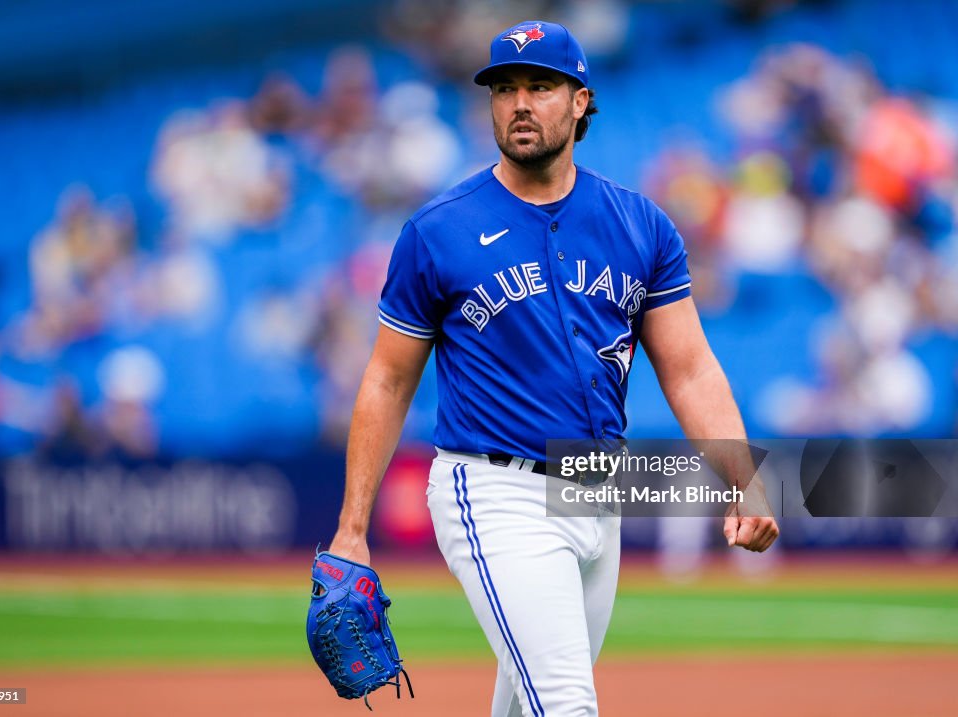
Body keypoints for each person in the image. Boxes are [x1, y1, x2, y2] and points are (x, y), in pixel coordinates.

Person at [328, 20, 779, 716]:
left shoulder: (640, 225)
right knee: (566, 703)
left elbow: (688, 368)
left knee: (526, 702)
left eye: (540, 85)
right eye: (504, 88)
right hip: (495, 489)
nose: (519, 103)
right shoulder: (438, 230)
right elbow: (387, 378)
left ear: (579, 101)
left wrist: (741, 478)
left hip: (597, 489)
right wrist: (352, 527)